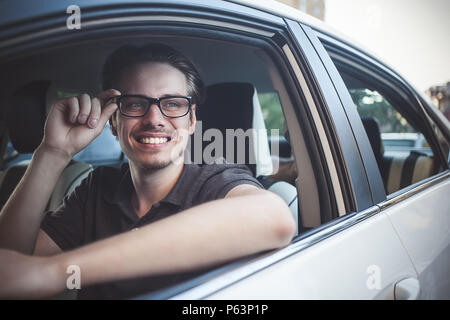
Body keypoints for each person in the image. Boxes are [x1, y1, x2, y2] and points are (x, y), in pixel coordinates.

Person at [0, 44, 296, 299]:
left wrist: (54, 272)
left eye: (172, 104)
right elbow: (13, 268)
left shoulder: (215, 181)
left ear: (192, 121)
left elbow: (276, 218)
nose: (154, 119)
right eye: (135, 104)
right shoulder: (95, 188)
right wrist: (53, 152)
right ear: (113, 122)